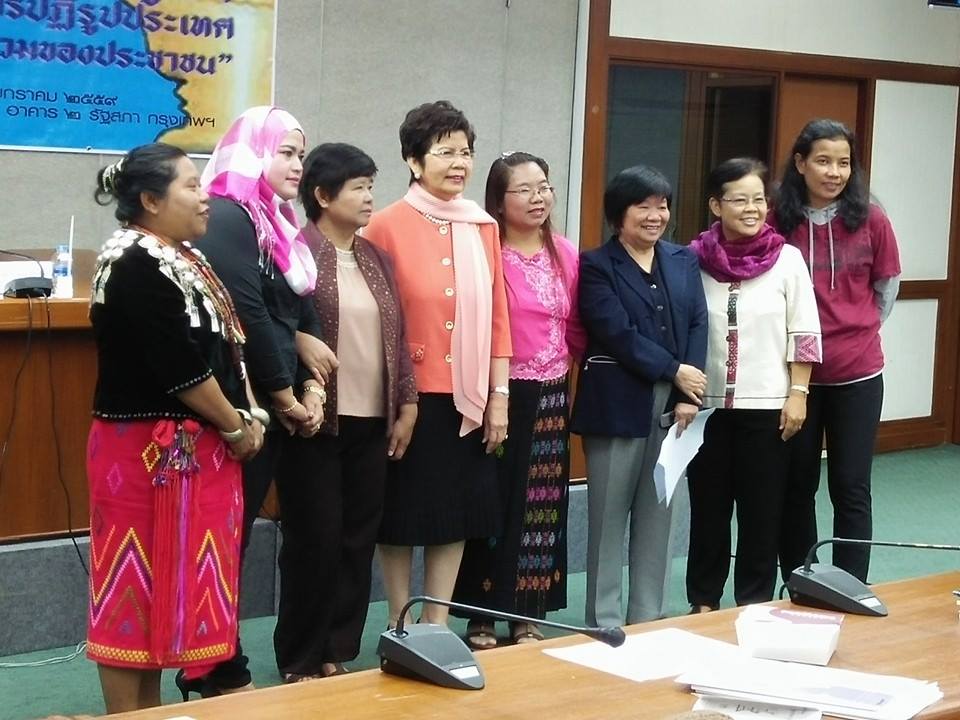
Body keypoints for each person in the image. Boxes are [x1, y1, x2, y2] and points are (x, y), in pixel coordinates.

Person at [87, 143, 263, 713]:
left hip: (191, 450)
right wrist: (234, 426)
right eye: (190, 185)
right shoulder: (132, 261)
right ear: (150, 200)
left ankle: (154, 711)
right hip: (143, 455)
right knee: (132, 586)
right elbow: (178, 364)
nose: (205, 196)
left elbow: (225, 349)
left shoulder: (181, 255)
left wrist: (247, 415)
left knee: (168, 588)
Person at [192, 106, 329, 694]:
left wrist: (313, 386)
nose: (297, 165)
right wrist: (286, 397)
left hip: (273, 405)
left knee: (236, 538)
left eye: (301, 154)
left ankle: (220, 661)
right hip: (239, 407)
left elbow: (299, 310)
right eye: (286, 152)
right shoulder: (228, 214)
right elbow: (248, 313)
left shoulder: (274, 218)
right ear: (254, 152)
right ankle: (217, 669)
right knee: (223, 540)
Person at [363, 100, 512, 630]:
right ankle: (399, 618)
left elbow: (498, 315)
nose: (459, 163)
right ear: (413, 160)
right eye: (445, 152)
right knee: (401, 513)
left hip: (467, 395)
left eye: (465, 152)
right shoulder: (383, 226)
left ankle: (437, 622)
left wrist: (499, 395)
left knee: (456, 512)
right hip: (408, 395)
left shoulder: (483, 226)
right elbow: (376, 316)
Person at [273, 143, 419, 679]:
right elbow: (274, 324)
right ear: (322, 195)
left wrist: (407, 402)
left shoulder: (377, 257)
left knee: (358, 537)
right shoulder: (294, 252)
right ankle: (300, 654)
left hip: (372, 418)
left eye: (370, 186)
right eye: (358, 187)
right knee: (315, 538)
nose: (368, 198)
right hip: (313, 418)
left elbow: (398, 336)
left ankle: (337, 648)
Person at [452, 151, 584, 648]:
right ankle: (481, 614)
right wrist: (491, 394)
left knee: (541, 505)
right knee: (490, 501)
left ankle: (527, 612)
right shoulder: (485, 252)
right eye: (524, 189)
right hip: (498, 393)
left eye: (544, 187)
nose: (538, 198)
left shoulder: (564, 253)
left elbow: (575, 325)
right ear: (499, 200)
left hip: (551, 393)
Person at [571, 165, 708, 626]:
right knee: (609, 516)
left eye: (662, 206)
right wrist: (674, 370)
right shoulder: (596, 265)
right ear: (619, 214)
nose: (655, 216)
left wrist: (689, 392)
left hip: (675, 403)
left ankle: (650, 616)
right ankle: (604, 620)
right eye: (643, 206)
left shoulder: (683, 259)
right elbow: (616, 332)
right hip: (617, 402)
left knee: (660, 512)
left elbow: (697, 322)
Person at [686, 158, 821, 612]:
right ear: (715, 205)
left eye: (759, 199)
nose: (752, 209)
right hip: (706, 408)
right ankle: (703, 601)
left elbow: (805, 332)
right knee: (708, 510)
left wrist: (798, 394)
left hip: (768, 407)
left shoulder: (787, 260)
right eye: (739, 199)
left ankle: (754, 603)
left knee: (761, 513)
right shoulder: (692, 259)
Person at [773, 119, 901, 583]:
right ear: (800, 163)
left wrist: (854, 333)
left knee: (851, 487)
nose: (834, 172)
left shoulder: (872, 219)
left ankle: (850, 586)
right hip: (795, 380)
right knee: (797, 484)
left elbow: (886, 289)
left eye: (843, 163)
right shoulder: (776, 219)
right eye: (823, 161)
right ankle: (802, 581)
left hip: (858, 376)